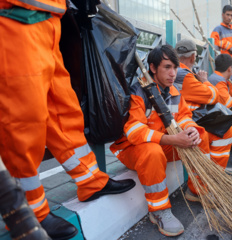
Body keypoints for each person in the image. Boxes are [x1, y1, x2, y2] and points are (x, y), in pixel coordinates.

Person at [0, 2, 136, 239]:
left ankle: (91, 180)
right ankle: (30, 211)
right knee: (23, 120)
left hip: (48, 23)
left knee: (65, 111)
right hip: (13, 20)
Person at [110, 45, 211, 237]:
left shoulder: (173, 91)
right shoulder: (137, 91)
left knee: (202, 135)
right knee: (152, 151)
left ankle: (198, 190)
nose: (173, 73)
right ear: (153, 68)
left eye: (175, 67)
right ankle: (159, 211)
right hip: (133, 150)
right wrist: (172, 139)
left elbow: (183, 116)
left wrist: (190, 130)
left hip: (163, 143)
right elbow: (134, 132)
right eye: (167, 67)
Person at [174, 39, 232, 175]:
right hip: (187, 119)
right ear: (193, 57)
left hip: (183, 118)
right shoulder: (184, 75)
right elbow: (214, 96)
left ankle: (214, 174)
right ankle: (216, 174)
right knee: (225, 131)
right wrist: (205, 81)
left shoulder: (177, 71)